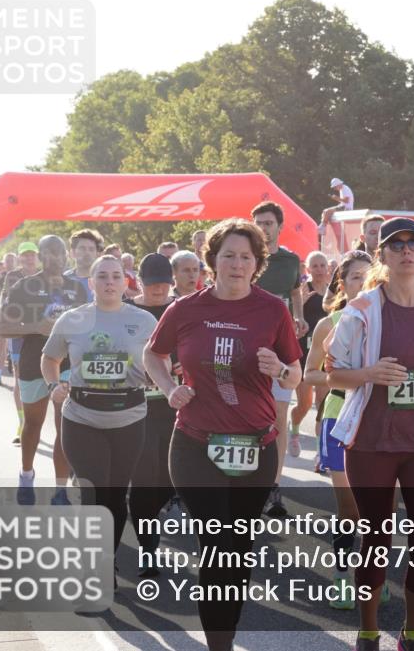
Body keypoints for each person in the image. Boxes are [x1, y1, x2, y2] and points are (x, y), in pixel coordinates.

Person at [143, 218, 302, 651]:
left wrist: (280, 369)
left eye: (245, 257)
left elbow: (295, 373)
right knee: (216, 544)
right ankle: (220, 645)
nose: (236, 264)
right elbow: (152, 354)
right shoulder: (185, 309)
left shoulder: (273, 310)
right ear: (212, 261)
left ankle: (225, 635)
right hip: (196, 444)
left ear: (257, 263)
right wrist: (169, 388)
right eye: (228, 255)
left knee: (239, 547)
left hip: (256, 446)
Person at [325, 217, 414, 651]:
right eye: (396, 245)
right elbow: (332, 372)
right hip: (371, 441)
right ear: (381, 254)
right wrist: (369, 373)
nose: (406, 251)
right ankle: (368, 631)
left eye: (413, 244)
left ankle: (412, 632)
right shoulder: (362, 309)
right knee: (376, 537)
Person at [41, 254, 157, 577]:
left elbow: (159, 359)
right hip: (82, 417)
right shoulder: (72, 319)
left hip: (129, 417)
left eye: (116, 276)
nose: (109, 282)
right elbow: (49, 359)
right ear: (91, 283)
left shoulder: (145, 321)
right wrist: (53, 385)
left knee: (116, 496)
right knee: (94, 492)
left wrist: (158, 374)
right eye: (102, 276)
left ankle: (107, 557)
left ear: (125, 281)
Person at [302, 250, 375, 607]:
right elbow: (309, 374)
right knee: (350, 508)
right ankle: (343, 576)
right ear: (343, 285)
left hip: (381, 419)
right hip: (339, 418)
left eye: (369, 276)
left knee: (381, 509)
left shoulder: (390, 321)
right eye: (356, 277)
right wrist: (352, 378)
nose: (363, 283)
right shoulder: (328, 324)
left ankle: (373, 575)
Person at [0, 235, 88, 505]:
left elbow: (86, 326)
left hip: (67, 366)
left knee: (65, 428)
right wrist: (36, 327)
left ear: (66, 255)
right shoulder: (23, 287)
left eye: (59, 252)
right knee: (33, 424)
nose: (55, 258)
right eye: (49, 253)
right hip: (32, 364)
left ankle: (60, 491)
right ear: (40, 256)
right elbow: (3, 328)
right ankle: (26, 475)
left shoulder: (77, 288)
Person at [251, 201, 307, 518]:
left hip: (281, 347)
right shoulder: (247, 257)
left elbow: (295, 291)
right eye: (259, 222)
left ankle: (273, 486)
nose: (263, 227)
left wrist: (298, 316)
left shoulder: (290, 261)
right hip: (247, 347)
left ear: (280, 226)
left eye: (269, 222)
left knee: (279, 416)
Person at [126, 253, 179, 577]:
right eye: (152, 284)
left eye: (164, 284)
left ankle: (152, 509)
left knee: (172, 480)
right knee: (144, 480)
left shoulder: (181, 309)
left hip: (176, 406)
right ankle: (148, 549)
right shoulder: (126, 311)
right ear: (140, 282)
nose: (159, 290)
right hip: (137, 408)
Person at [289, 251, 331, 459]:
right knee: (304, 404)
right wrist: (300, 305)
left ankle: (319, 452)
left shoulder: (334, 292)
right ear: (308, 269)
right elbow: (291, 319)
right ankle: (294, 429)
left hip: (326, 352)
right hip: (305, 353)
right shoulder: (303, 290)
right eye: (315, 266)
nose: (319, 269)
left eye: (322, 265)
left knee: (322, 404)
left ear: (328, 268)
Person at [2, 242, 41, 444]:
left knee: (45, 377)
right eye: (25, 255)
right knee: (20, 379)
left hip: (41, 334)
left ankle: (41, 421)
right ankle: (22, 422)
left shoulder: (45, 276)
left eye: (32, 254)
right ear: (19, 258)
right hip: (19, 335)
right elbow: (6, 304)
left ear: (37, 257)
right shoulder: (13, 277)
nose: (29, 258)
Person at [65, 228, 103, 302]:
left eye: (91, 249)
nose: (87, 253)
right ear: (72, 253)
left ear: (97, 254)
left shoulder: (105, 281)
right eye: (82, 248)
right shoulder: (64, 280)